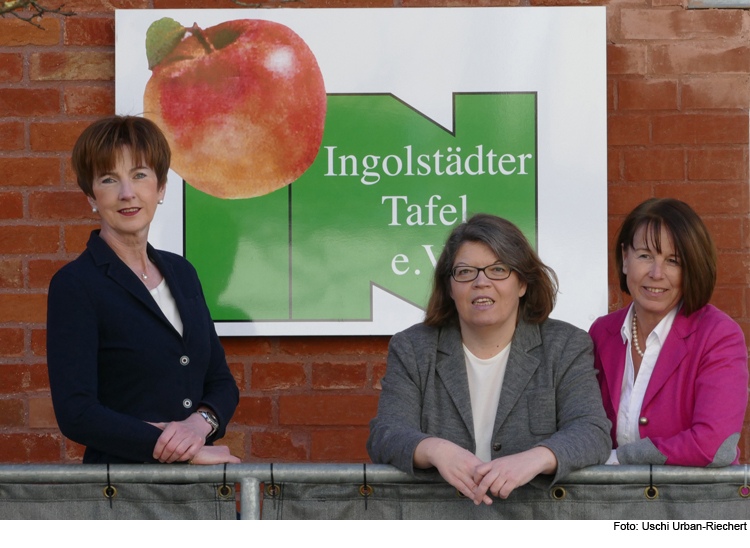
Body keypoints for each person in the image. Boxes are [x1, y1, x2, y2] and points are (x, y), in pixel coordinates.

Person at [367, 214, 611, 505]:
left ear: (522, 284)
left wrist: (536, 458)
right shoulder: (413, 348)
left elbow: (592, 431)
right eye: (466, 272)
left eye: (498, 269)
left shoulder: (565, 346)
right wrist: (436, 449)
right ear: (450, 287)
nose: (481, 282)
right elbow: (386, 434)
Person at [47, 116, 240, 465]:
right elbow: (76, 411)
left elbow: (221, 382)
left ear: (161, 187)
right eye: (109, 180)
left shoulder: (182, 273)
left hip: (199, 493)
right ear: (91, 195)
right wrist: (179, 449)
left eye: (139, 175)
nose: (127, 193)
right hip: (124, 492)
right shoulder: (75, 284)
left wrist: (200, 425)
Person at [590, 198, 748, 466]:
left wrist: (618, 459)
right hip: (614, 505)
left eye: (673, 260)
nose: (656, 273)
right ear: (625, 258)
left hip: (690, 505)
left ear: (692, 268)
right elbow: (582, 425)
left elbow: (715, 446)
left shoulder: (718, 335)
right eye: (645, 256)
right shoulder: (602, 332)